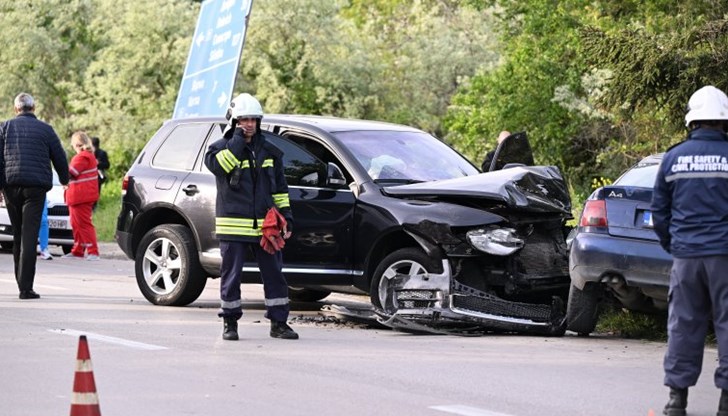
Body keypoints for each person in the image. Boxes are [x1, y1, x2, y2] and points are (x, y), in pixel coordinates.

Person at [651, 85, 728, 416]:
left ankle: (676, 401)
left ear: (692, 121)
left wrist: (676, 246)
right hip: (724, 256)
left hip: (686, 257)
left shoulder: (674, 157)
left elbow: (659, 212)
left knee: (684, 324)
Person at [204, 93, 298, 341]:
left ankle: (279, 323)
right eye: (243, 120)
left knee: (275, 275)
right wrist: (237, 141)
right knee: (231, 278)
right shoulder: (219, 149)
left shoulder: (270, 151)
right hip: (234, 226)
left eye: (253, 120)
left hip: (265, 228)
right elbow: (219, 167)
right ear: (234, 121)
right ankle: (230, 324)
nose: (249, 124)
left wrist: (286, 216)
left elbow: (279, 189)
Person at [0, 92, 69, 299]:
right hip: (36, 189)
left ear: (16, 109)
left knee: (18, 235)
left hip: (11, 186)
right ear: (34, 108)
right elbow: (59, 157)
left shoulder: (4, 127)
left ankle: (21, 281)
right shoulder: (46, 130)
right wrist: (65, 179)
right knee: (30, 235)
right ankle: (26, 288)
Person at [64, 131, 100, 260]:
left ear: (77, 144)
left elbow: (70, 173)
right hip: (78, 196)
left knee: (83, 224)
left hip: (81, 196)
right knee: (76, 224)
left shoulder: (82, 157)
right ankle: (78, 250)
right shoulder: (88, 156)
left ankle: (93, 251)